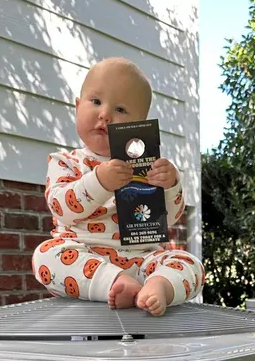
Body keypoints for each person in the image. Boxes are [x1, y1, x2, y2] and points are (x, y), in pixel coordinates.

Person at [32, 57, 204, 316]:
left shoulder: (147, 165)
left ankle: (159, 287)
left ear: (140, 123)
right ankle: (114, 283)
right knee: (45, 255)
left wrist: (170, 186)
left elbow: (169, 217)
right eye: (96, 102)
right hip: (85, 255)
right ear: (78, 106)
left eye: (121, 110)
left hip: (143, 259)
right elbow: (61, 207)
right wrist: (99, 181)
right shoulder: (65, 162)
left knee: (190, 262)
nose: (105, 115)